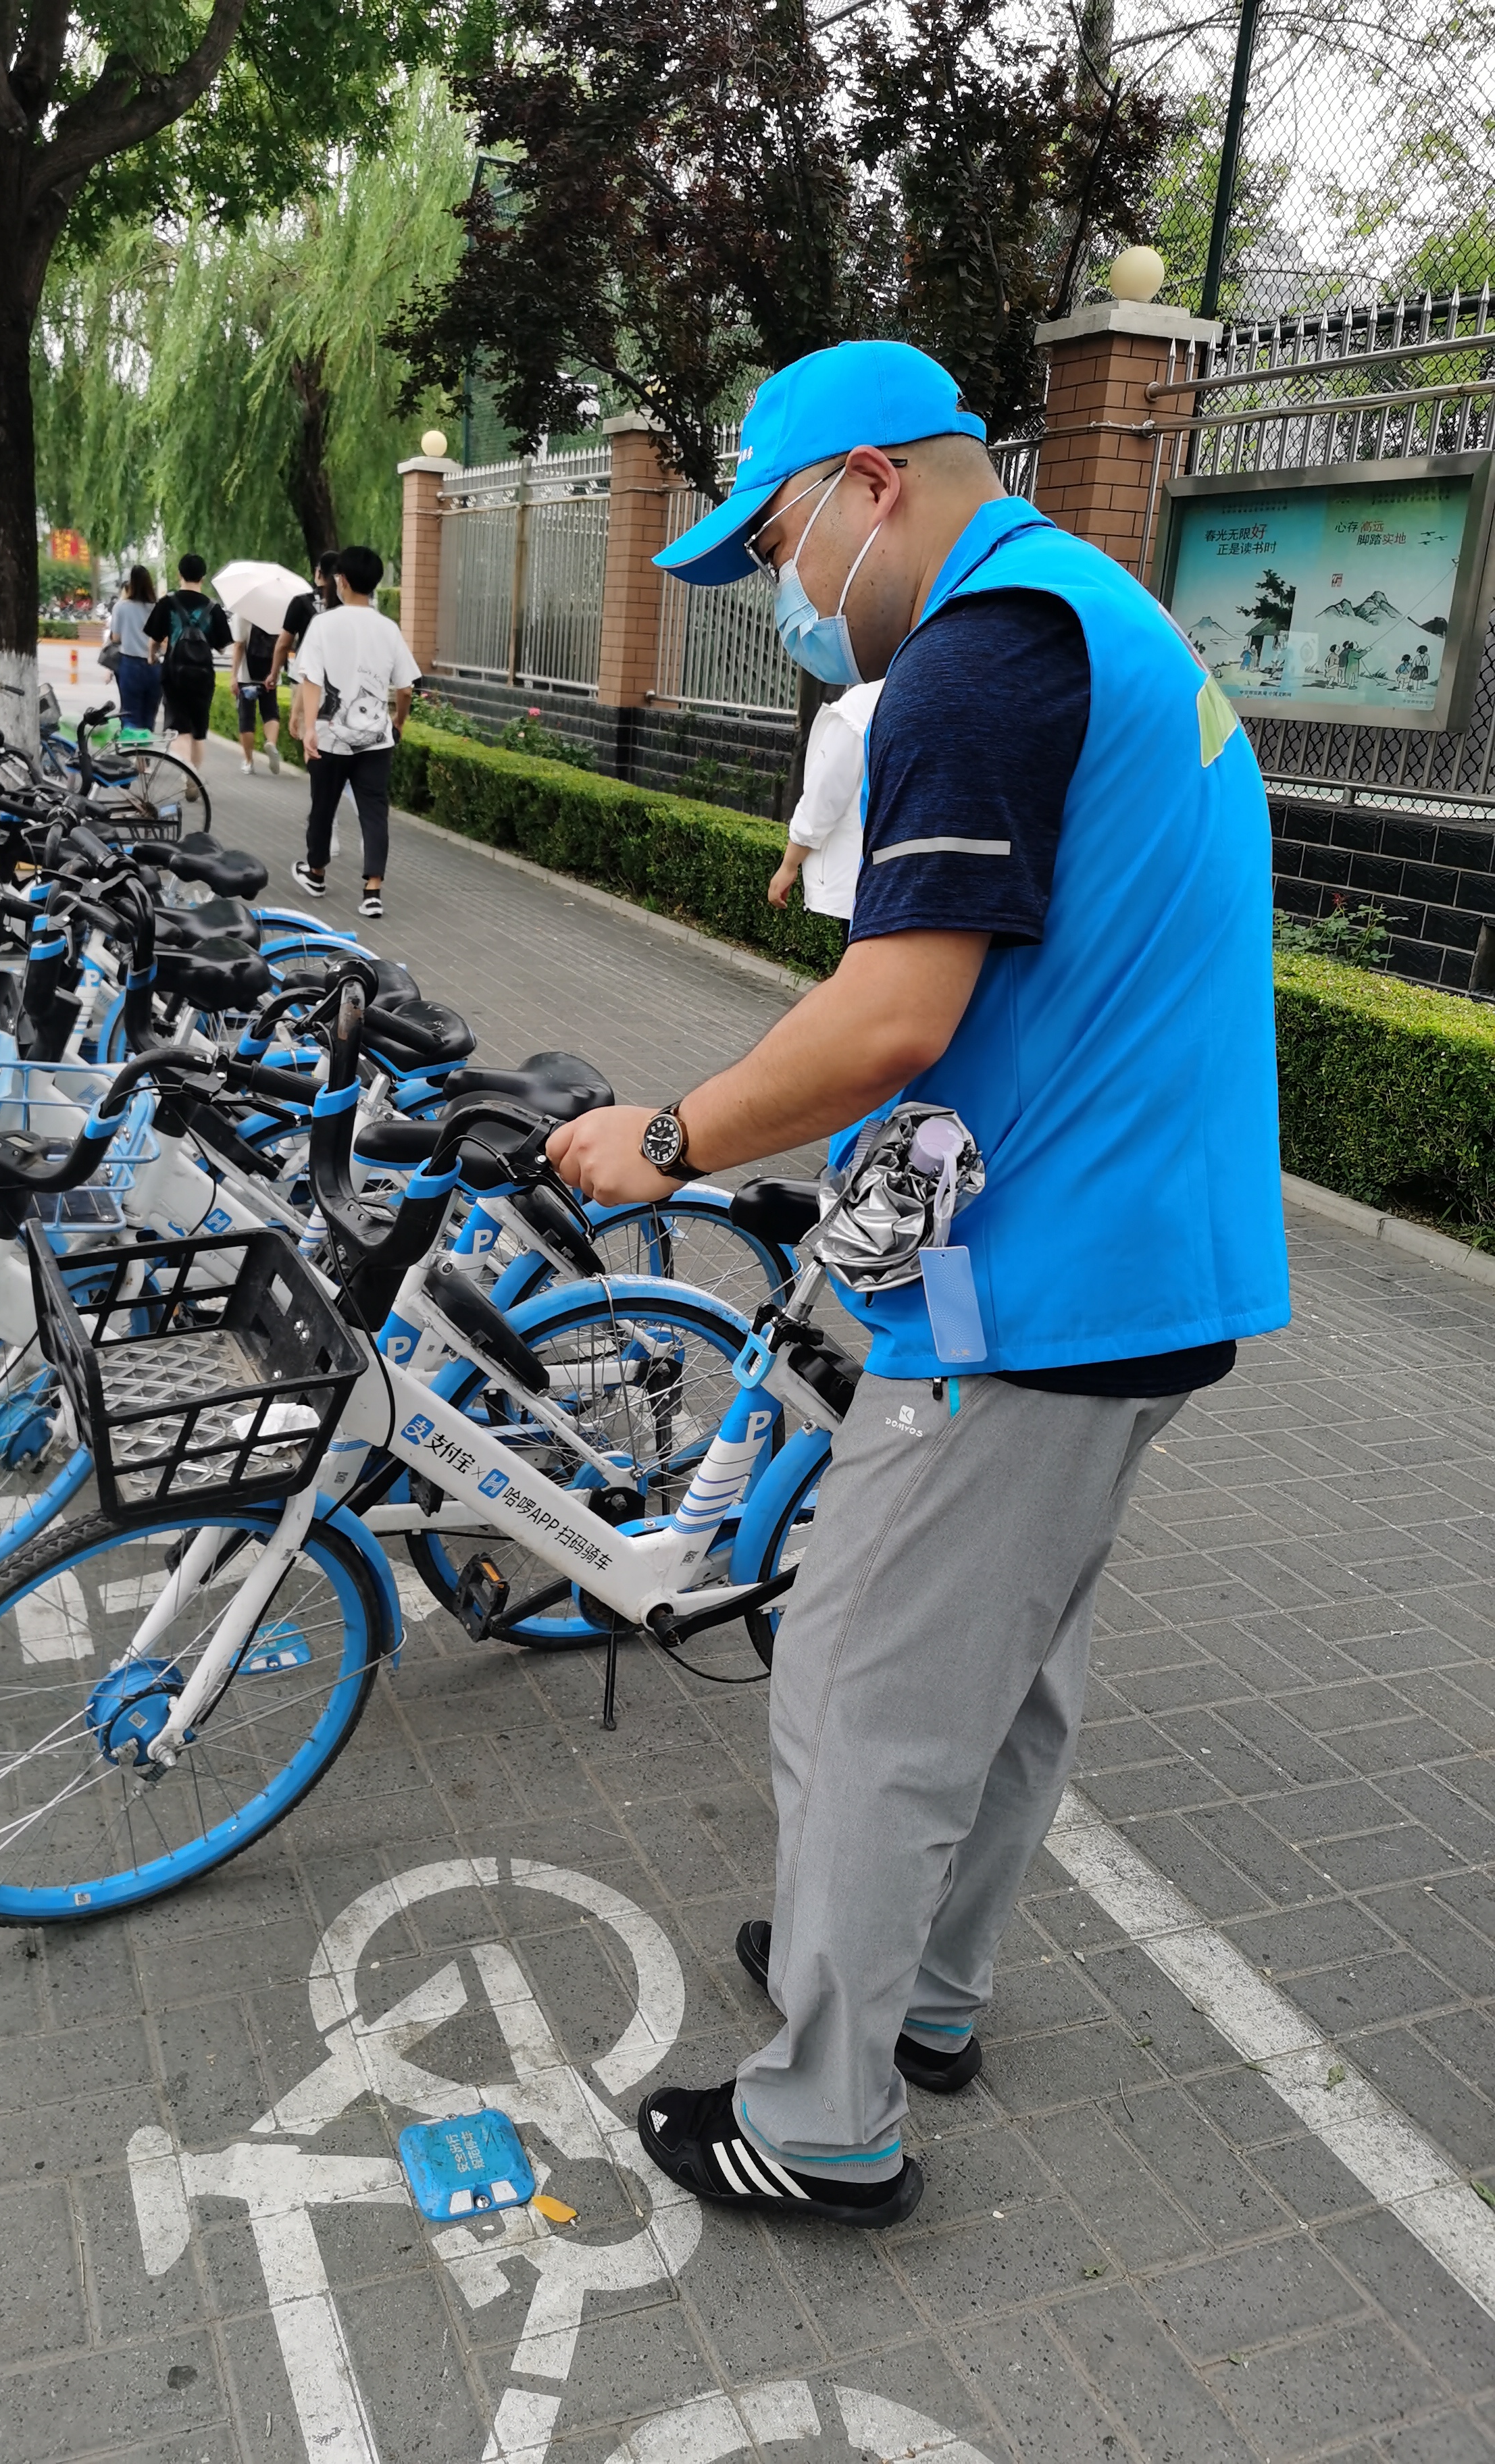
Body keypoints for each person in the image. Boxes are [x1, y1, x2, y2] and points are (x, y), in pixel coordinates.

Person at [547, 339, 1290, 2231]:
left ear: (870, 484)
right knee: (1003, 1665)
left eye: (773, 542)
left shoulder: (977, 655)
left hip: (1030, 1282)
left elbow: (891, 1014)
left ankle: (823, 2118)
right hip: (1140, 1261)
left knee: (862, 1681)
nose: (778, 593)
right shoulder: (1095, 614)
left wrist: (668, 1140)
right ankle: (922, 1992)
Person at [290, 544, 418, 919]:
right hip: (376, 739)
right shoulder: (388, 628)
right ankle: (373, 891)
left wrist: (309, 728)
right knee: (374, 811)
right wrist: (398, 722)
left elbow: (311, 679)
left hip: (330, 737)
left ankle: (316, 874)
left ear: (341, 581)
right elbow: (406, 688)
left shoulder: (323, 624)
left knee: (323, 807)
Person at [766, 678, 885, 932]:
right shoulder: (945, 695)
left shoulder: (861, 705)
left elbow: (824, 797)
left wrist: (789, 865)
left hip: (863, 878)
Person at [145, 551, 232, 771]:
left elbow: (154, 640)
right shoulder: (214, 608)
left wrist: (152, 657)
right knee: (198, 732)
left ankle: (187, 773)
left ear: (179, 575)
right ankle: (195, 777)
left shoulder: (167, 603)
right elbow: (222, 647)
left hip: (174, 674)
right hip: (203, 676)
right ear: (203, 577)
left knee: (180, 728)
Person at [268, 553, 338, 713]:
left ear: (318, 573)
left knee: (304, 723)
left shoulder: (301, 602)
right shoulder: (346, 606)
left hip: (306, 675)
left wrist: (274, 673)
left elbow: (284, 643)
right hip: (339, 678)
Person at [109, 566, 163, 736]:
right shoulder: (158, 608)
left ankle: (132, 749)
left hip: (130, 665)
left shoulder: (121, 607)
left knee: (130, 715)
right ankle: (146, 751)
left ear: (131, 584)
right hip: (154, 665)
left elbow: (116, 638)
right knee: (149, 716)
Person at [231, 613, 284, 776]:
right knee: (270, 713)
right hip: (269, 676)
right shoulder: (277, 614)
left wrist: (233, 676)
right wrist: (275, 673)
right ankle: (271, 743)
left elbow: (239, 646)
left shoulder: (242, 615)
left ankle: (249, 762)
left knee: (246, 719)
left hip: (246, 677)